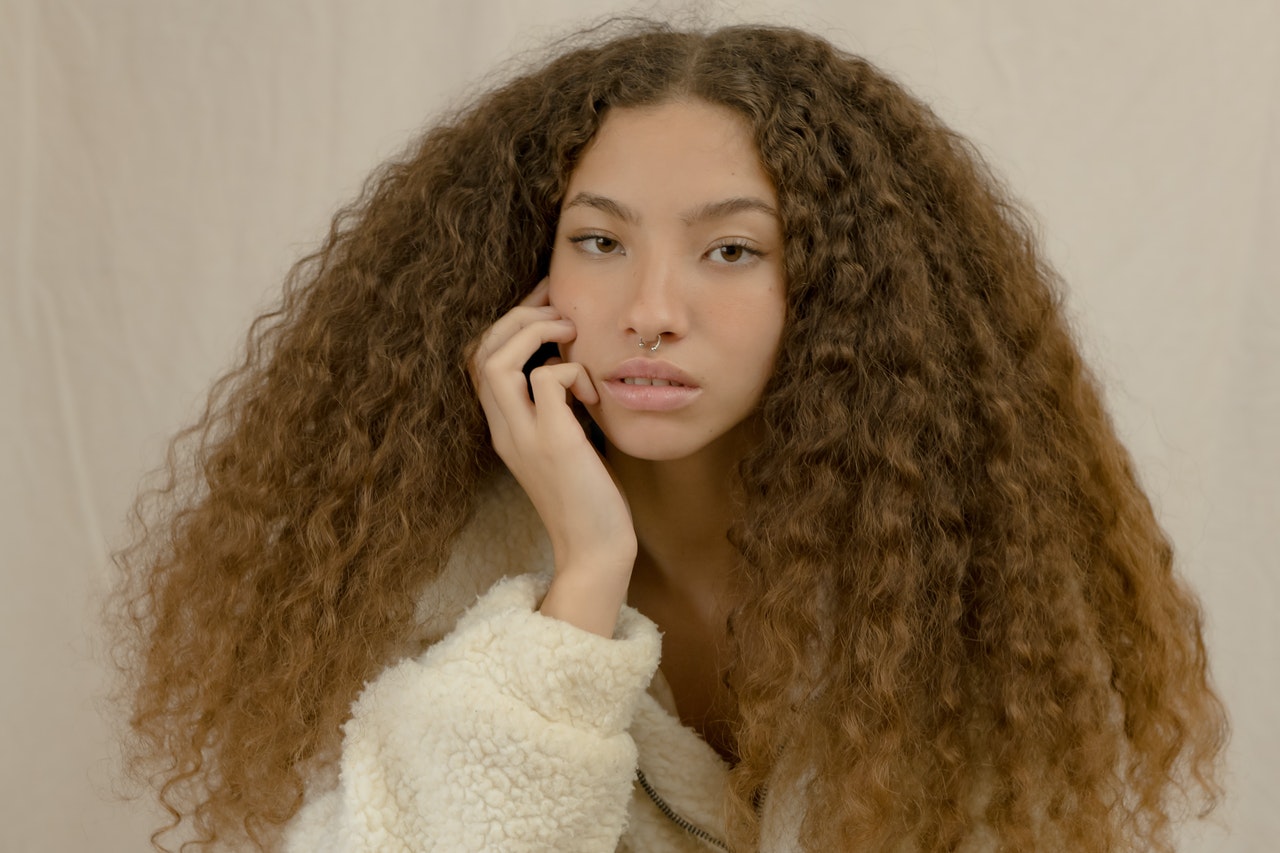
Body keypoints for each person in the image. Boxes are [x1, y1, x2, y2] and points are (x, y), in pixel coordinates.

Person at [110, 21, 1227, 853]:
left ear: (842, 295)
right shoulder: (411, 562)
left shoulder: (947, 572)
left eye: (730, 251)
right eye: (598, 242)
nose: (650, 306)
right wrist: (582, 580)